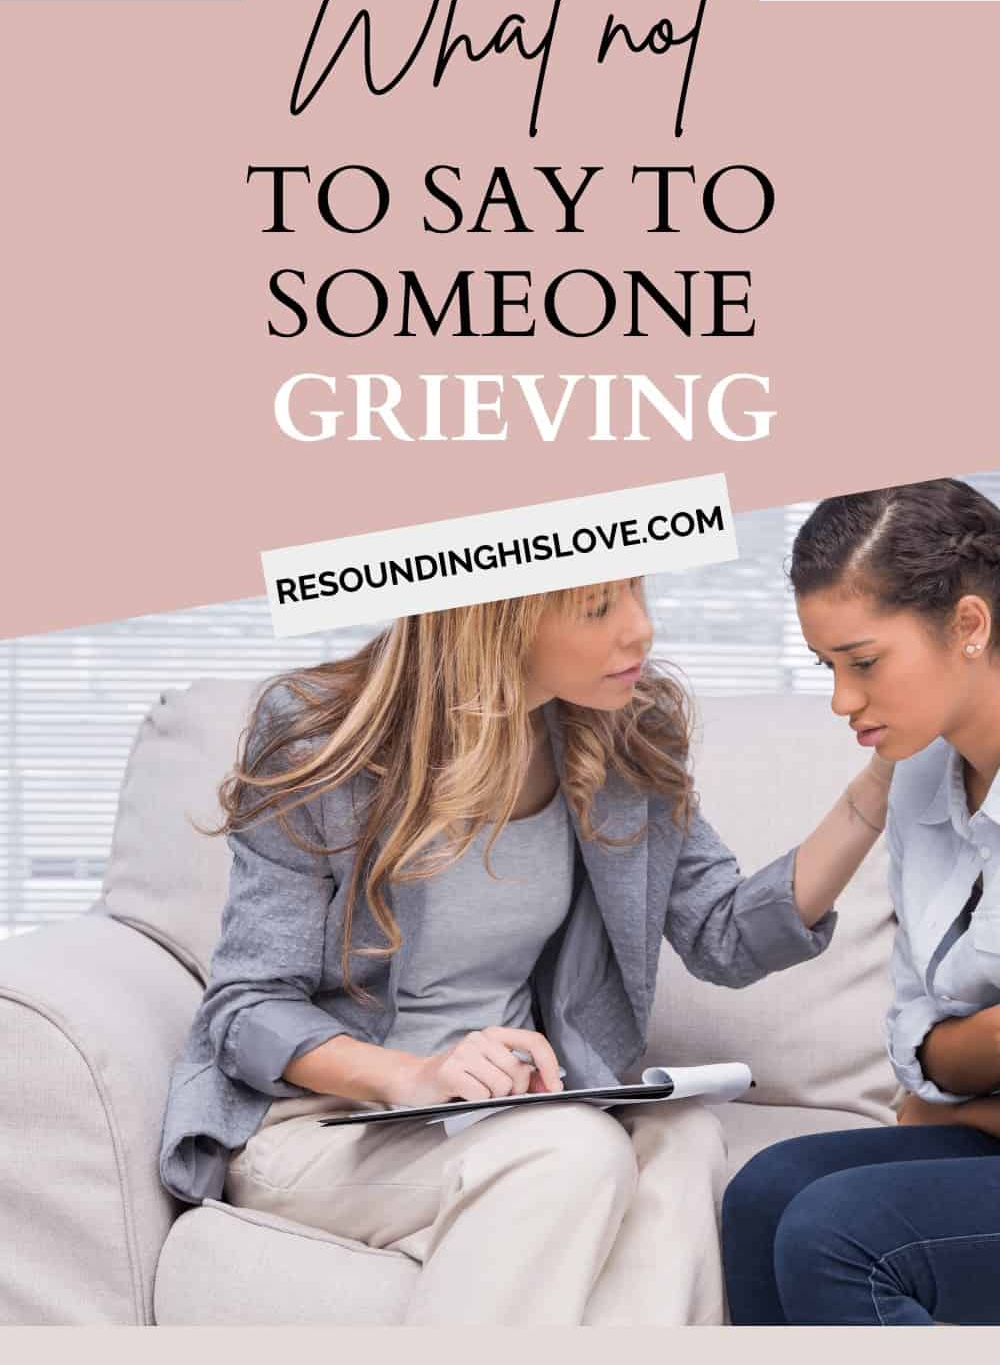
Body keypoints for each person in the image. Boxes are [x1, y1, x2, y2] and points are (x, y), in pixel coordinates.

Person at [159, 579, 889, 1325]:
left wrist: (881, 786)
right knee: (573, 1150)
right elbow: (247, 1007)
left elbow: (726, 935)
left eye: (638, 593)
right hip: (330, 1124)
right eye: (599, 608)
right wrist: (412, 1075)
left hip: (509, 1116)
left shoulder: (621, 733)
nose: (641, 630)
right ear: (497, 616)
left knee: (682, 1135)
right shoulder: (324, 738)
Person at [722, 477, 1000, 1327]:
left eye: (864, 662)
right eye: (828, 666)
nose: (843, 701)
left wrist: (961, 1067)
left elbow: (942, 1067)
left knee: (838, 1232)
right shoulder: (915, 778)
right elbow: (919, 1046)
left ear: (968, 626)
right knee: (766, 1190)